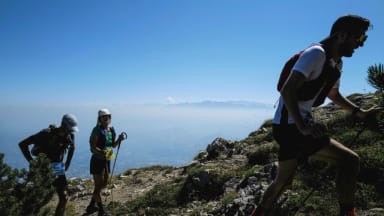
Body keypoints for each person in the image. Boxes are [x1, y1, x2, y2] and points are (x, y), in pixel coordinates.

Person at [251, 15, 383, 216]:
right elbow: (288, 90)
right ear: (341, 35)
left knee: (282, 183)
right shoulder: (316, 54)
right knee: (350, 161)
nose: (360, 44)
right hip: (292, 128)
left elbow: (333, 95)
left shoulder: (335, 64)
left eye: (362, 40)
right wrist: (303, 126)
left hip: (287, 127)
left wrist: (359, 112)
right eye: (358, 38)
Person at [19, 113, 78, 216]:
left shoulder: (70, 135)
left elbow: (73, 146)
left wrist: (68, 162)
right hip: (43, 168)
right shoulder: (45, 134)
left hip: (58, 167)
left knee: (64, 198)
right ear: (63, 125)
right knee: (39, 200)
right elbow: (23, 144)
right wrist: (32, 162)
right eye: (70, 129)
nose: (71, 131)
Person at [86, 108, 126, 216]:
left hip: (107, 159)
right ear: (100, 119)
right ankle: (101, 210)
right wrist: (101, 151)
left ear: (110, 118)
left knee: (104, 183)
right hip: (97, 160)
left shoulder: (111, 130)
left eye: (108, 117)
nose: (106, 119)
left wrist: (119, 139)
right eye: (104, 117)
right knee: (98, 185)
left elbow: (113, 145)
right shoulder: (96, 130)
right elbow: (93, 146)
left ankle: (92, 204)